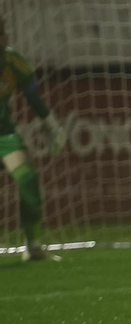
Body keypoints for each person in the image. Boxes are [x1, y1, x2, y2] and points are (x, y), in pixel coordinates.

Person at [0, 17, 69, 262]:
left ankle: (32, 245)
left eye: (2, 35)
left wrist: (52, 126)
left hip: (5, 135)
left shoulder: (12, 62)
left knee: (28, 181)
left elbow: (33, 99)